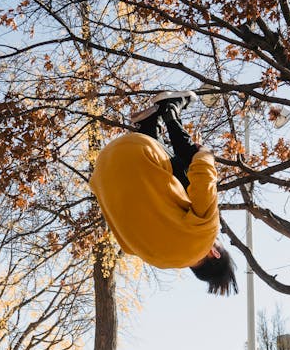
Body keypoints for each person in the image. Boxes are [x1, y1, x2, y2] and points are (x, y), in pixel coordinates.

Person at [89, 90, 237, 296]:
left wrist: (205, 155)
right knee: (173, 197)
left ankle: (170, 111)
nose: (216, 237)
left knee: (195, 175)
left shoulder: (204, 238)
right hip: (103, 166)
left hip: (139, 150)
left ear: (214, 253)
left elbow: (204, 182)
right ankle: (148, 125)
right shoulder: (155, 258)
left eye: (218, 242)